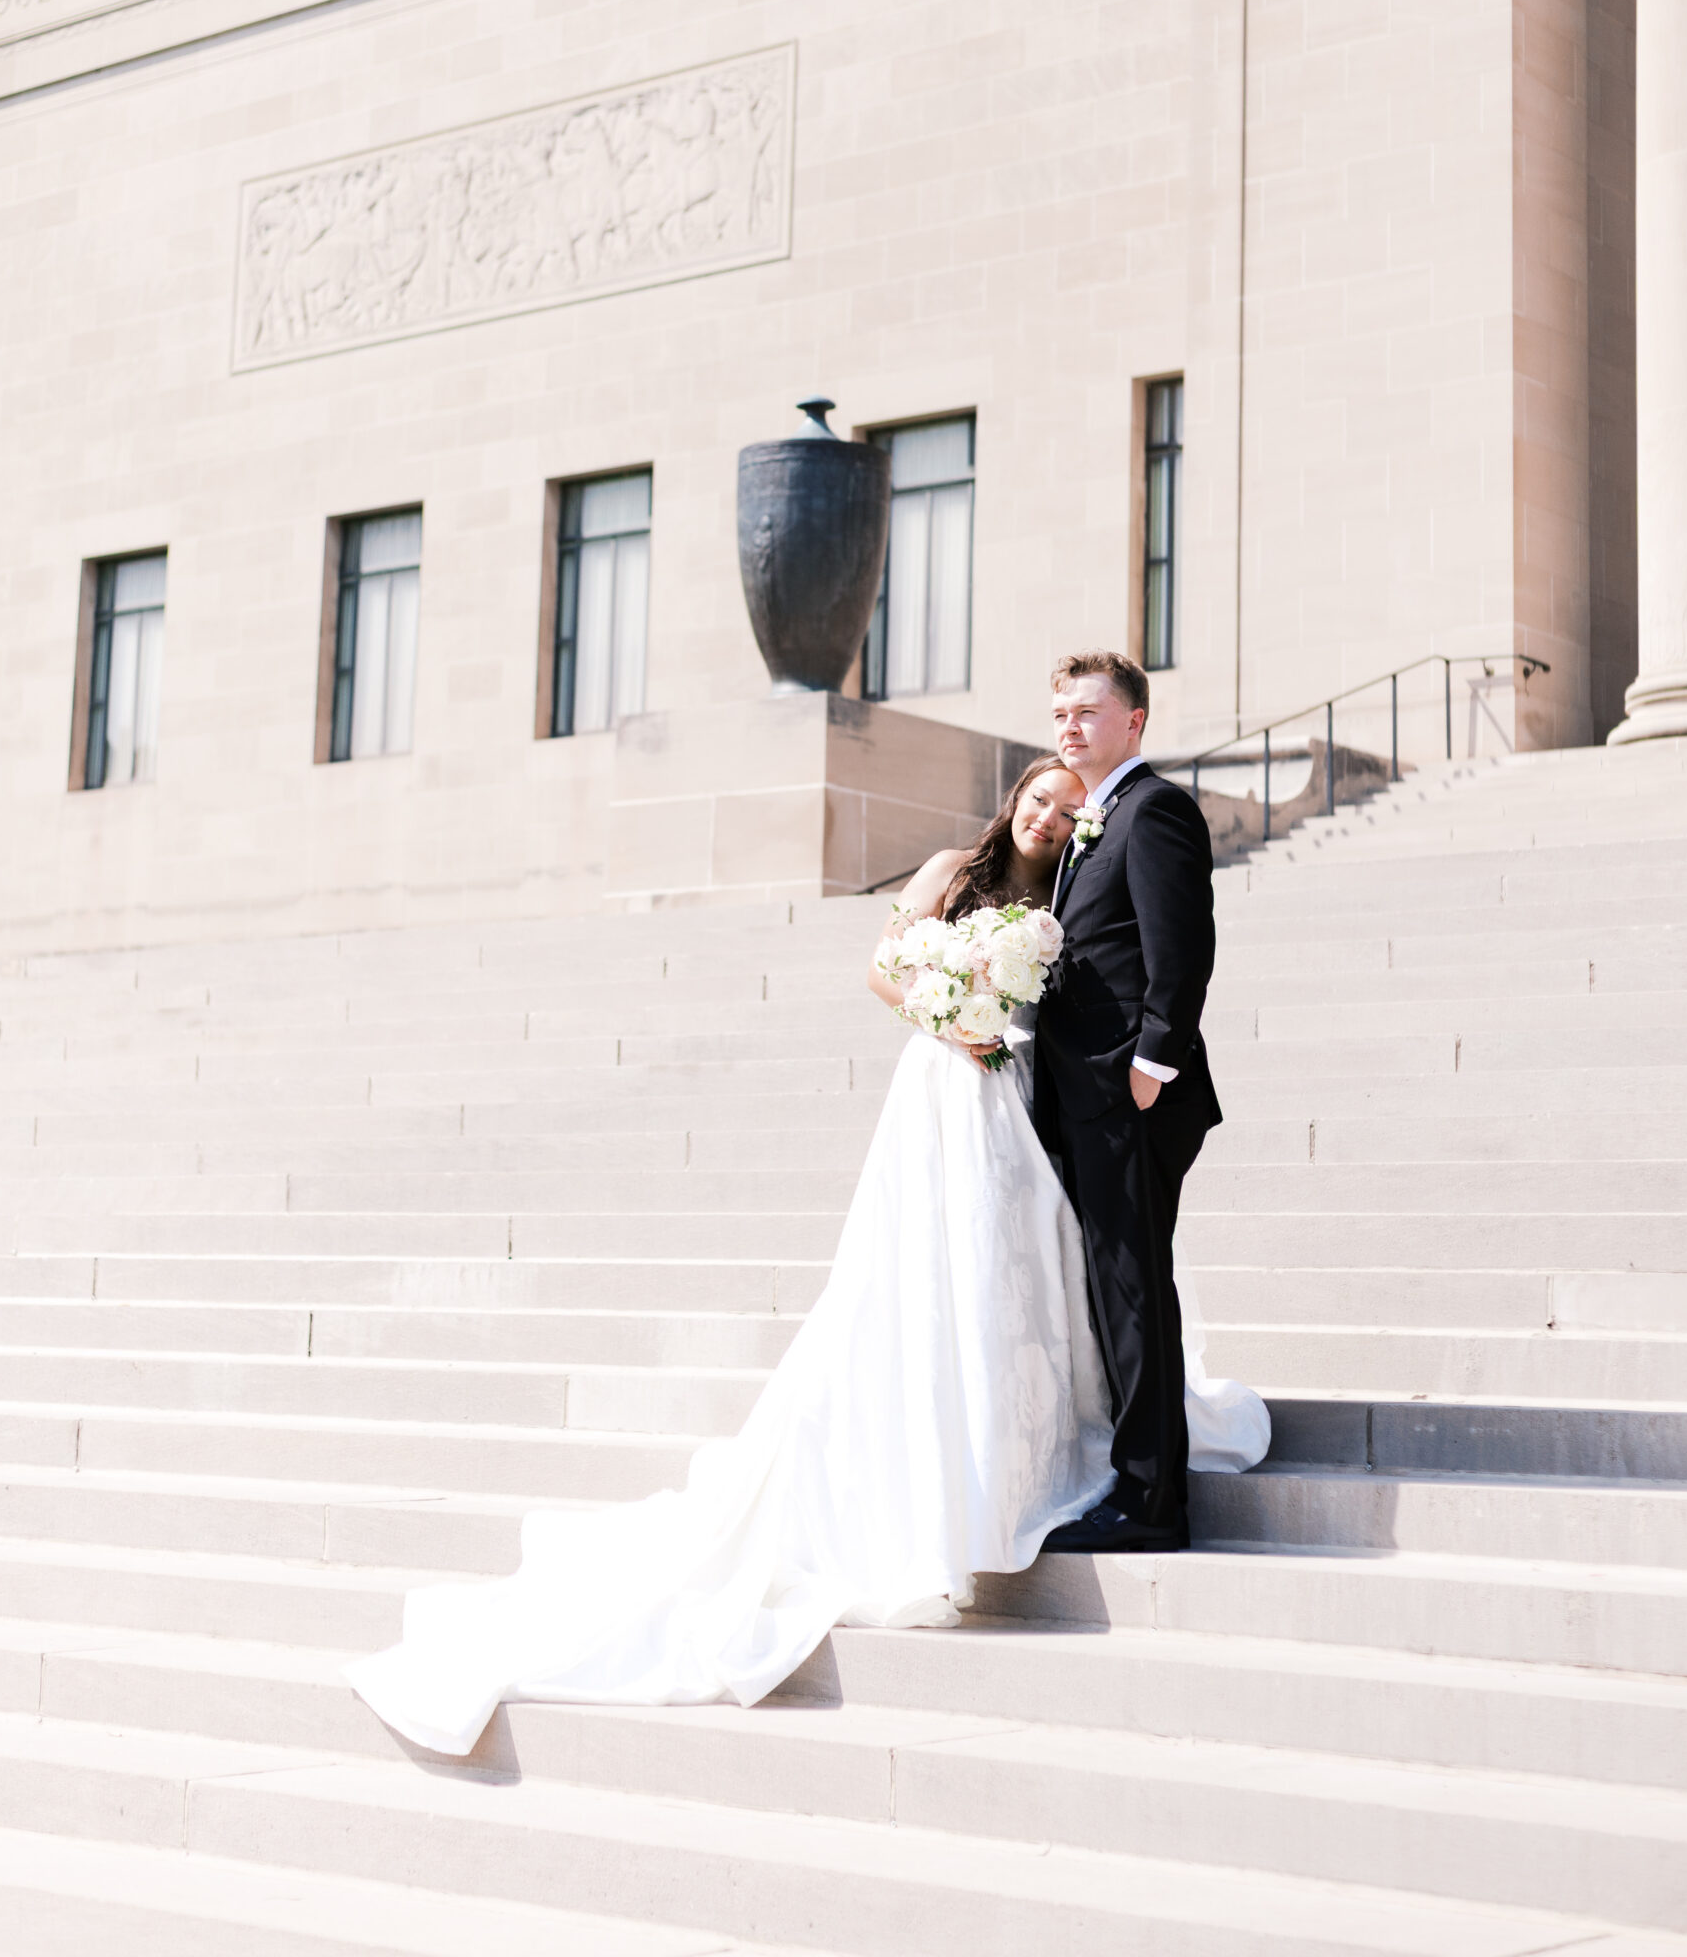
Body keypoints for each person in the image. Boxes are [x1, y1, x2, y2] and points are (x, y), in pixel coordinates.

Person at [350, 751, 1262, 1758]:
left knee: (1020, 1270)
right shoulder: (955, 867)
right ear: (1014, 802)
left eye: (1061, 804)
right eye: (1036, 799)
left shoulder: (1067, 893)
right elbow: (884, 968)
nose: (1047, 815)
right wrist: (952, 1018)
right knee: (929, 1272)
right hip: (947, 1085)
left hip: (1020, 1103)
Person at [1034, 650, 1226, 1554]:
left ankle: (1152, 1504)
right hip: (1085, 1096)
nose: (1068, 726)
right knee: (1116, 1294)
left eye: (1086, 711)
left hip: (1127, 1095)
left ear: (1132, 722)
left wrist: (1151, 1066)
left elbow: (1180, 949)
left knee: (1134, 1292)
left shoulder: (1154, 810)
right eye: (1060, 714)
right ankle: (1131, 1475)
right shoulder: (1088, 821)